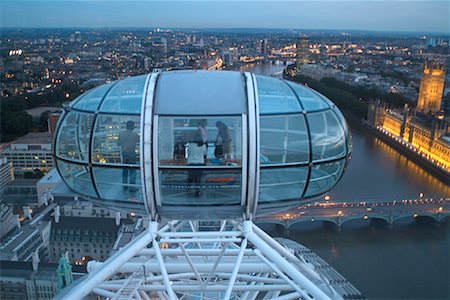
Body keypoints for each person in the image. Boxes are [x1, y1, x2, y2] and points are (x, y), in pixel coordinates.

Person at [118, 120, 139, 191]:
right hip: (132, 153)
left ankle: (125, 185)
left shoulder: (121, 134)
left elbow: (118, 143)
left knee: (125, 170)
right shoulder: (135, 134)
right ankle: (132, 187)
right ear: (132, 126)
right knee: (132, 170)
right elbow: (139, 140)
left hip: (124, 153)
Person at [187, 130, 207, 197]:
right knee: (198, 179)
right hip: (200, 163)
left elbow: (188, 153)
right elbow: (205, 154)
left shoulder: (190, 145)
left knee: (190, 177)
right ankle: (197, 191)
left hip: (191, 163)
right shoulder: (203, 146)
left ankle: (188, 189)